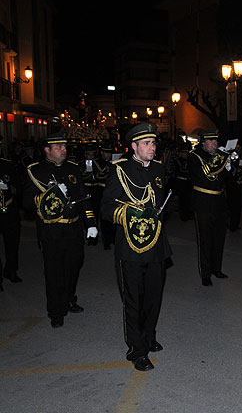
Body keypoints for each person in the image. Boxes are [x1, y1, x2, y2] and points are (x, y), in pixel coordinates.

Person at [101, 123, 171, 372]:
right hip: (130, 246)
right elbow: (106, 208)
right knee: (134, 299)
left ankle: (149, 336)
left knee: (153, 296)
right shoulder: (120, 170)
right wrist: (130, 215)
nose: (152, 148)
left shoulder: (160, 169)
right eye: (146, 144)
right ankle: (136, 349)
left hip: (156, 245)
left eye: (153, 143)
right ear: (134, 146)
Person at [24, 132, 97, 327]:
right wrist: (50, 196)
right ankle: (56, 311)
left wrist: (90, 223)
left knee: (74, 265)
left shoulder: (73, 169)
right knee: (54, 270)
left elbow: (83, 198)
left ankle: (69, 298)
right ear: (47, 150)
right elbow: (27, 202)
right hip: (52, 230)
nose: (64, 150)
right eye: (59, 147)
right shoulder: (35, 171)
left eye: (64, 147)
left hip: (73, 228)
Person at [188, 129, 229, 286]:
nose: (215, 144)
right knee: (205, 239)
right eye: (212, 142)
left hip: (219, 200)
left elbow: (225, 177)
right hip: (203, 201)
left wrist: (230, 165)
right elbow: (205, 173)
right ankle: (205, 273)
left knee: (219, 237)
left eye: (216, 142)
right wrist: (220, 157)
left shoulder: (217, 156)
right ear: (203, 142)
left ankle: (216, 268)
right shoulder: (194, 156)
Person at [0, 136, 22, 291]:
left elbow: (18, 186)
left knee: (12, 242)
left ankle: (11, 270)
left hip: (8, 209)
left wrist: (8, 188)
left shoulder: (7, 165)